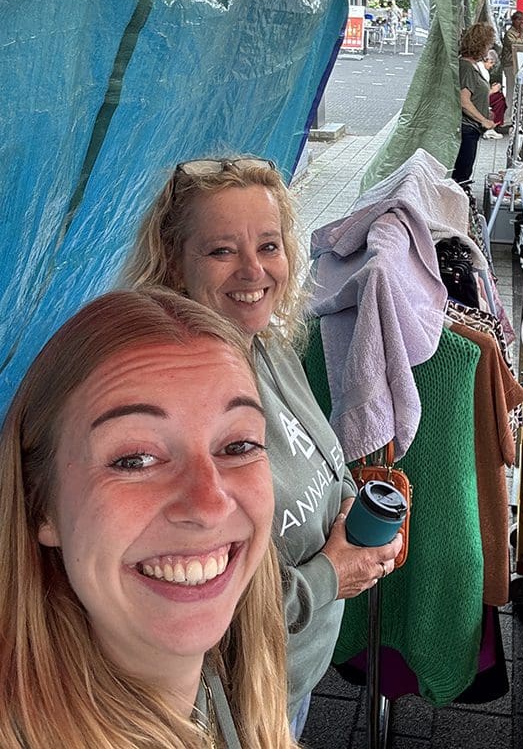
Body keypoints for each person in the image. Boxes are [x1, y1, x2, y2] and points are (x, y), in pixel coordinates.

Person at [124, 157, 402, 737]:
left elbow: (324, 457)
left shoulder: (267, 346)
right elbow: (202, 594)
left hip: (290, 676)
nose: (254, 271)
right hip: (235, 701)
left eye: (268, 246)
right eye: (222, 251)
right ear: (174, 264)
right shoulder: (175, 409)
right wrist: (330, 576)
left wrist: (351, 509)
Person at [0, 287, 295, 749]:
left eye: (238, 446)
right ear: (42, 505)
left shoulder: (238, 676)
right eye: (135, 459)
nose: (209, 505)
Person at [452, 23, 500, 184]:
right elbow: (464, 101)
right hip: (467, 128)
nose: (489, 49)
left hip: (471, 128)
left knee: (465, 170)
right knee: (462, 173)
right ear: (481, 44)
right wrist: (483, 119)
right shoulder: (466, 67)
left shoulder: (473, 66)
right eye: (488, 45)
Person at [500, 10, 523, 119]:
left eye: (522, 20)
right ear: (513, 20)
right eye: (519, 20)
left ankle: (514, 115)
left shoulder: (520, 34)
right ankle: (507, 116)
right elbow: (516, 46)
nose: (521, 22)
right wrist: (521, 33)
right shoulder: (510, 34)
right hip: (510, 64)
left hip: (519, 64)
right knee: (511, 90)